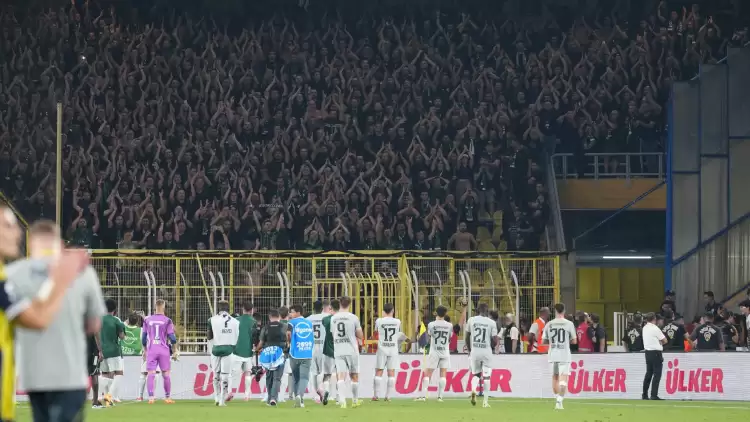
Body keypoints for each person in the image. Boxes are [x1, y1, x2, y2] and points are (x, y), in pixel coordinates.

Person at [5, 219, 104, 422]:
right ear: (59, 243)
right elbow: (94, 324)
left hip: (34, 376)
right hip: (70, 375)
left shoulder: (11, 274)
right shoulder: (82, 272)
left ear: (31, 243)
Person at [541, 303, 577, 410]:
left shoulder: (549, 324)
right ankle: (560, 401)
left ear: (555, 311)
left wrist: (553, 341)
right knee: (563, 379)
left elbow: (543, 341)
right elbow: (574, 341)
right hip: (564, 355)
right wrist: (566, 340)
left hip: (553, 355)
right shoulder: (569, 324)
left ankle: (557, 400)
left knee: (555, 378)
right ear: (564, 311)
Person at [330, 296, 364, 409]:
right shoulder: (354, 318)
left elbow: (333, 333)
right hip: (351, 350)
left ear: (340, 303)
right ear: (350, 304)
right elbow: (360, 335)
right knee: (354, 375)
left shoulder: (333, 318)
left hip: (338, 349)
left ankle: (342, 401)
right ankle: (355, 401)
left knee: (340, 375)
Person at [143, 299, 178, 404]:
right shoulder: (167, 320)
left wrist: (145, 350)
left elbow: (143, 338)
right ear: (164, 307)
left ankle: (151, 398)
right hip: (163, 350)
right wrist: (175, 350)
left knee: (151, 374)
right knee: (166, 374)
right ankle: (167, 397)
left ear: (155, 307)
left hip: (152, 349)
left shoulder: (147, 320)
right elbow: (172, 338)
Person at [465, 303, 498, 408]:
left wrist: (470, 350)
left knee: (476, 375)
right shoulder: (492, 322)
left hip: (475, 351)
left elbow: (467, 336)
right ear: (487, 311)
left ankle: (473, 390)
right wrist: (491, 346)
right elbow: (495, 340)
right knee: (487, 376)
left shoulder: (471, 320)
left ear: (478, 310)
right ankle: (485, 402)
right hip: (486, 351)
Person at [372, 303, 407, 401]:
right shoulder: (397, 321)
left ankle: (376, 396)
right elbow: (399, 334)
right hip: (393, 349)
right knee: (391, 372)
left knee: (379, 371)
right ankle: (388, 396)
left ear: (383, 311)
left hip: (382, 348)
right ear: (393, 311)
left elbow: (375, 333)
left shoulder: (379, 321)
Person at [418, 305, 452, 402]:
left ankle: (423, 396)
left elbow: (429, 336)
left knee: (428, 372)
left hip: (434, 351)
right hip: (445, 351)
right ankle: (440, 397)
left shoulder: (431, 324)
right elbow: (449, 338)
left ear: (436, 313)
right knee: (443, 373)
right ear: (445, 314)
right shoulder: (449, 325)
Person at [208, 300, 239, 406]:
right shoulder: (236, 321)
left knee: (216, 374)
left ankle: (216, 397)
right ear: (228, 309)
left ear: (218, 309)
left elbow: (209, 337)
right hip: (229, 348)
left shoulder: (211, 320)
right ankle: (222, 400)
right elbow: (237, 337)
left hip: (216, 348)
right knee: (225, 375)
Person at [256, 309, 287, 407]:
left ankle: (269, 398)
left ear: (269, 317)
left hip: (268, 354)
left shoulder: (265, 327)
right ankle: (274, 398)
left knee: (269, 377)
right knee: (277, 378)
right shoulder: (284, 326)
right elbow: (288, 338)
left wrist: (256, 349)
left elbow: (261, 342)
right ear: (279, 317)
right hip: (279, 354)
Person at [99, 299, 126, 406]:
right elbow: (122, 336)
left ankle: (106, 399)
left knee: (105, 374)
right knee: (119, 373)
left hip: (101, 350)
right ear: (115, 309)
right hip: (113, 350)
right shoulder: (116, 320)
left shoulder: (98, 320)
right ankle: (109, 395)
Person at [287, 304, 314, 408]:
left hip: (294, 353)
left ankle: (297, 399)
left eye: (292, 312)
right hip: (307, 353)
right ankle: (300, 396)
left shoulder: (292, 322)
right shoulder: (309, 323)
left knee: (295, 378)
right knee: (304, 377)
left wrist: (289, 342)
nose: (290, 314)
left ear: (298, 312)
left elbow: (288, 333)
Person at [307, 300, 332, 403]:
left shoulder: (308, 319)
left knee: (313, 372)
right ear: (322, 308)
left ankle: (316, 395)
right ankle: (323, 390)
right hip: (323, 347)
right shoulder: (327, 317)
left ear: (313, 309)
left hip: (312, 347)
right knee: (324, 372)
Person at [232, 301, 257, 401]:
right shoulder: (253, 321)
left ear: (243, 309)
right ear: (251, 310)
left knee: (232, 374)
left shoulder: (235, 320)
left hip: (236, 350)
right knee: (248, 373)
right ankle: (247, 395)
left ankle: (229, 392)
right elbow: (255, 337)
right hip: (248, 351)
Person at [642, 312, 667, 400]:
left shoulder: (644, 328)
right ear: (654, 319)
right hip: (656, 352)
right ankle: (654, 394)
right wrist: (659, 342)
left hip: (647, 353)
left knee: (648, 373)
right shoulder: (655, 328)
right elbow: (665, 340)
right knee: (657, 374)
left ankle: (644, 394)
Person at [320, 299, 339, 405]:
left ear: (331, 308)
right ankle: (338, 396)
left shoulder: (326, 319)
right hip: (340, 349)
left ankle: (327, 391)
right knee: (340, 374)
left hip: (328, 349)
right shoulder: (343, 319)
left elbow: (324, 322)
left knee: (327, 374)